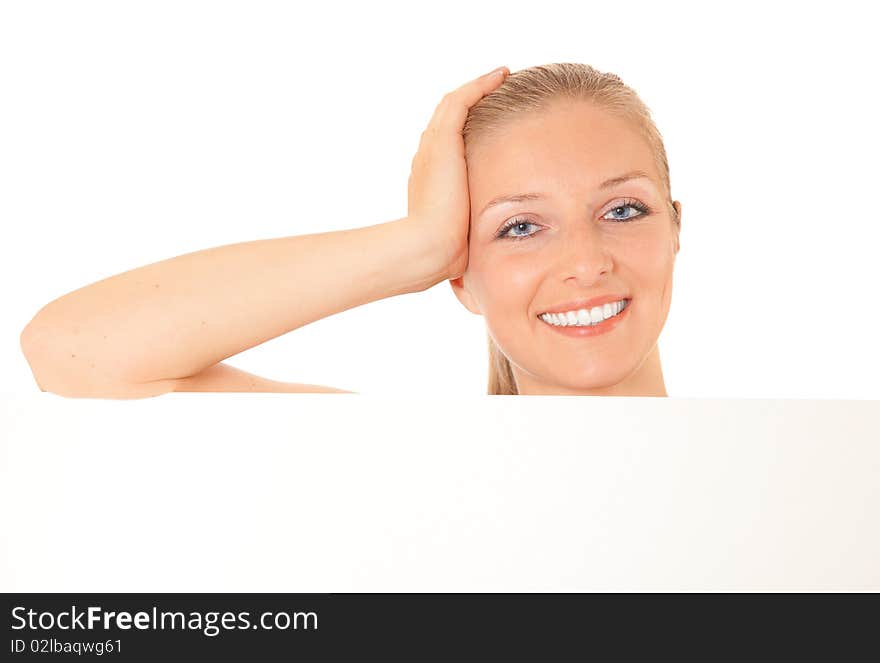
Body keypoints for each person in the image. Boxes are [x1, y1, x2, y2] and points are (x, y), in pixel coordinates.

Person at [20, 62, 682, 398]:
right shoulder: (390, 459)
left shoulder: (784, 470)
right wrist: (416, 245)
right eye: (520, 226)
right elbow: (69, 350)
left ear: (675, 227)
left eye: (622, 210)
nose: (586, 262)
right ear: (461, 272)